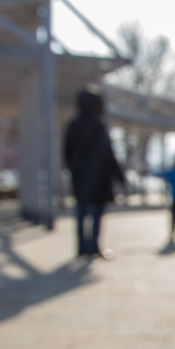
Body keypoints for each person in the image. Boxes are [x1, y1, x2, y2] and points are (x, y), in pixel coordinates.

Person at [62, 89, 126, 258]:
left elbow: (66, 153)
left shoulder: (72, 125)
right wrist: (120, 177)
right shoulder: (100, 126)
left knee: (81, 214)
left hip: (80, 179)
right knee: (96, 214)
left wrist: (74, 170)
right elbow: (110, 155)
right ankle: (93, 247)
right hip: (99, 180)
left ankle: (82, 248)